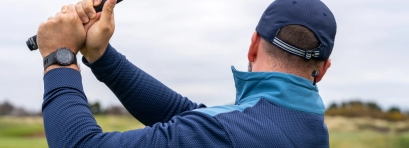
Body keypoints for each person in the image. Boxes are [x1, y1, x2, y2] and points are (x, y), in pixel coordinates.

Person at [36, 0, 337, 147]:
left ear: (253, 45)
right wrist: (101, 56)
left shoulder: (231, 134)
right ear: (323, 70)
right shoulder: (304, 126)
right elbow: (182, 114)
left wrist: (59, 56)